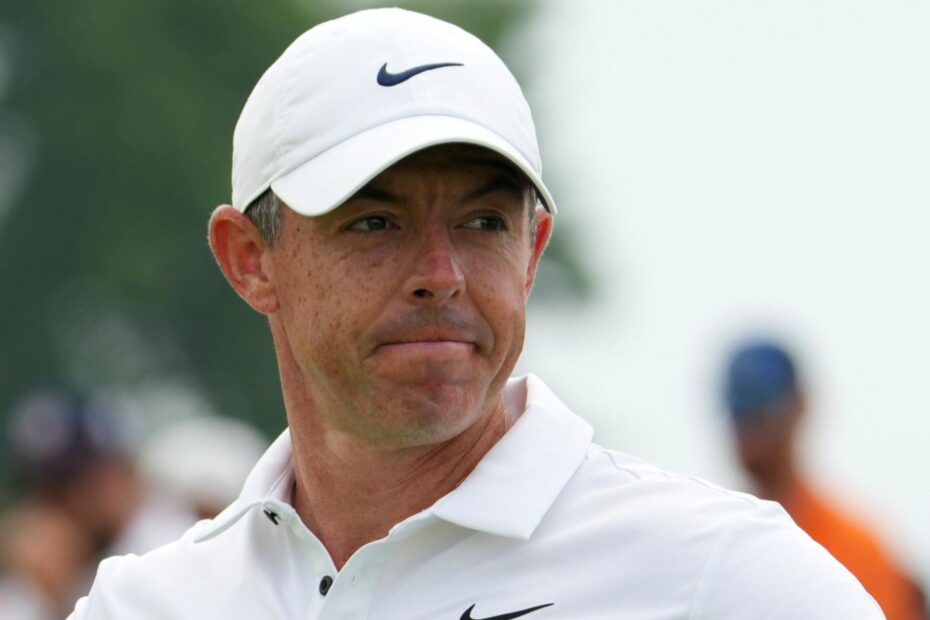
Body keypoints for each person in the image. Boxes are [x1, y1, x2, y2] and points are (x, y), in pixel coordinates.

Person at [70, 8, 883, 618]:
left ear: (532, 252)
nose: (441, 274)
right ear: (250, 260)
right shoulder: (145, 604)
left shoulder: (736, 580)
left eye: (484, 222)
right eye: (375, 222)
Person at [723, 339, 926, 620]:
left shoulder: (857, 548)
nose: (748, 430)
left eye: (762, 412)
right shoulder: (725, 539)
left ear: (799, 407)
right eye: (738, 412)